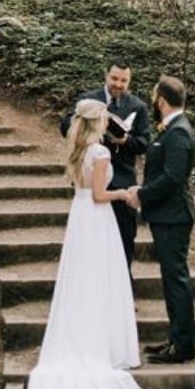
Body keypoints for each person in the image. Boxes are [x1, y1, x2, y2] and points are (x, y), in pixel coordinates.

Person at [17, 99, 183, 389]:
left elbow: (84, 192)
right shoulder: (101, 153)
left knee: (83, 279)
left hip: (80, 220)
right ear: (100, 122)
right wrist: (125, 194)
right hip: (97, 218)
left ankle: (85, 337)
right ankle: (103, 347)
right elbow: (99, 195)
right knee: (101, 279)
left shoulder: (79, 149)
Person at [128, 76, 195, 364]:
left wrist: (142, 195)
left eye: (155, 98)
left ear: (162, 101)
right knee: (171, 280)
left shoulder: (179, 132)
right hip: (167, 216)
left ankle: (182, 345)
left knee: (176, 280)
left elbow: (173, 177)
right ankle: (174, 338)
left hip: (174, 217)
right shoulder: (173, 129)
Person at [58, 61, 151, 270]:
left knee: (124, 241)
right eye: (115, 78)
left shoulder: (137, 106)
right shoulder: (88, 100)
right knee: (90, 246)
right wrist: (87, 126)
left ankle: (123, 295)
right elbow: (65, 127)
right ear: (106, 76)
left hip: (122, 180)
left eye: (124, 80)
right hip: (91, 180)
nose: (118, 84)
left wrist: (124, 140)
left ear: (129, 81)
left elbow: (144, 143)